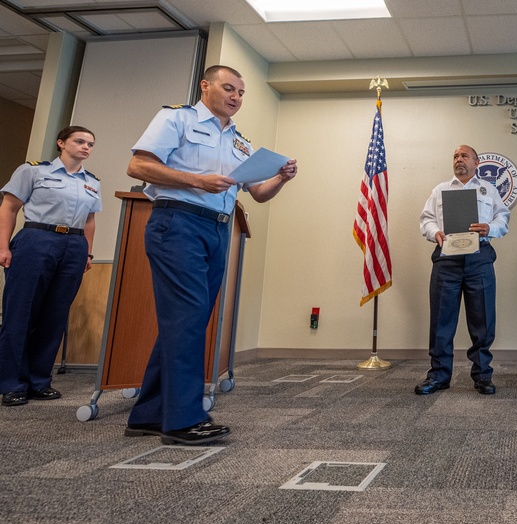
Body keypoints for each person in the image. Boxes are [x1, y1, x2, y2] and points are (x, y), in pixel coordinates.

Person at [124, 65, 298, 444]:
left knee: (189, 320)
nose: (235, 97)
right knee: (187, 318)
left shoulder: (240, 141)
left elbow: (258, 193)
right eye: (228, 88)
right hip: (178, 224)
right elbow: (138, 165)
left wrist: (281, 178)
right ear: (205, 86)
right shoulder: (177, 119)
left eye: (240, 92)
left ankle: (150, 413)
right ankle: (184, 420)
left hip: (219, 229)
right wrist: (195, 180)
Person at [0, 126, 101, 407]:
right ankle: (11, 383)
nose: (85, 148)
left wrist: (88, 254)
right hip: (37, 239)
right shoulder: (33, 171)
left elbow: (90, 220)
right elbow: (9, 207)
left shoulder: (92, 182)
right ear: (61, 143)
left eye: (90, 144)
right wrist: (3, 246)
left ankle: (38, 381)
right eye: (79, 141)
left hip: (74, 245)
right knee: (21, 312)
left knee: (54, 316)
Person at [415, 145, 510, 396]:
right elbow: (426, 219)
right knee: (441, 321)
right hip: (447, 261)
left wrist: (490, 228)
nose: (459, 160)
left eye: (464, 156)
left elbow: (503, 218)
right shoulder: (440, 190)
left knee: (483, 321)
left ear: (476, 162)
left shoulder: (488, 190)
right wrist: (434, 232)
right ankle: (438, 375)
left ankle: (482, 376)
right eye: (455, 156)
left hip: (479, 259)